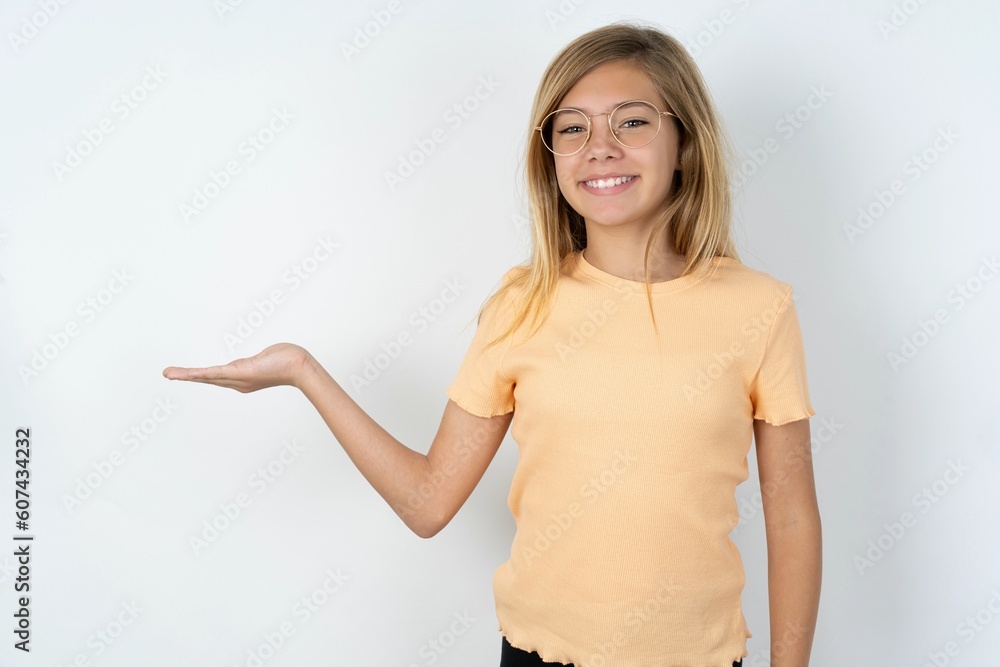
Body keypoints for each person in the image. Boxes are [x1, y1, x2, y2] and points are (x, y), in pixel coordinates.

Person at [163, 21, 821, 667]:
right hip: (538, 655)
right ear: (552, 157)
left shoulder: (758, 307)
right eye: (573, 128)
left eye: (632, 121)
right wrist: (302, 370)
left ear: (683, 140)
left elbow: (791, 519)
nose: (600, 146)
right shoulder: (520, 306)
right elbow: (428, 503)